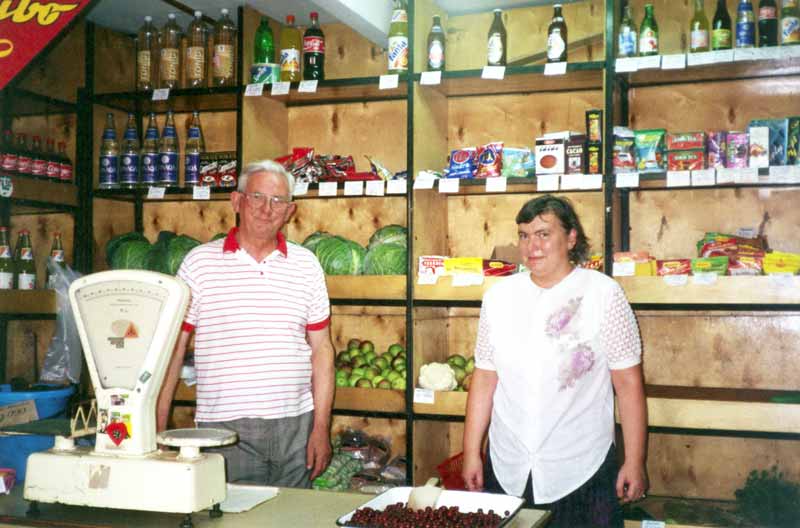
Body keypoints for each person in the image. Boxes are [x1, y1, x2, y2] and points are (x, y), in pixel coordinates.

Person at [462, 194, 647, 527]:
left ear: (571, 237)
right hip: (508, 464)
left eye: (544, 234)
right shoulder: (499, 297)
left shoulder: (603, 294)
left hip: (580, 466)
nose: (532, 245)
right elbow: (485, 378)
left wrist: (634, 461)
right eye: (524, 235)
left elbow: (628, 383)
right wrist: (472, 452)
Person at [157, 160, 334, 488]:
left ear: (290, 211)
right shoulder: (199, 263)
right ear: (237, 202)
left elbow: (322, 350)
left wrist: (320, 428)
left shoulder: (306, 265)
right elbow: (172, 352)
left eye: (278, 201)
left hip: (297, 427)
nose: (267, 209)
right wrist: (157, 429)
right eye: (257, 197)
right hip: (224, 430)